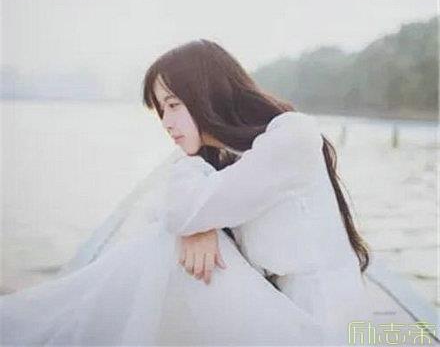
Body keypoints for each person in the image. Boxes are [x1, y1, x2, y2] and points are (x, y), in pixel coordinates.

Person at [1, 39, 373, 346]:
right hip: (280, 314)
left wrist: (195, 224)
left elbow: (181, 211)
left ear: (208, 94)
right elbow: (177, 208)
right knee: (171, 246)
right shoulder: (224, 161)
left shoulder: (291, 135)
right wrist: (199, 226)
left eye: (173, 105)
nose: (166, 123)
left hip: (323, 329)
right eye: (160, 111)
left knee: (167, 247)